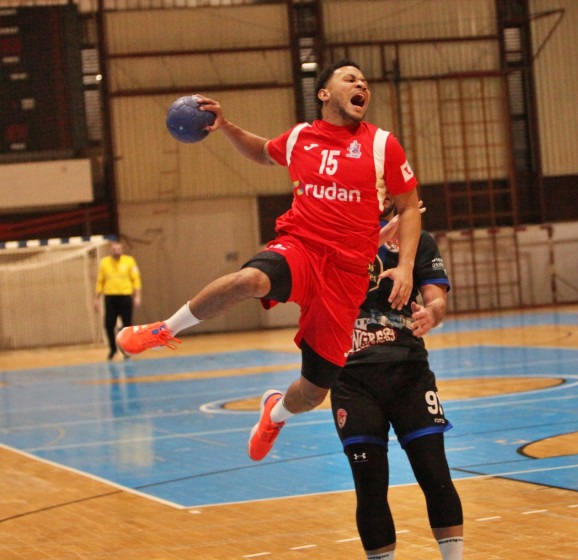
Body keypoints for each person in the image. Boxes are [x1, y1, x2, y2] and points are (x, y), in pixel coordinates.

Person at [116, 59, 422, 462]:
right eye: (350, 79)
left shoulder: (382, 144)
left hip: (347, 276)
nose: (361, 85)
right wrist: (226, 126)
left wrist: (406, 265)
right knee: (250, 280)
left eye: (364, 81)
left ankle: (274, 413)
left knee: (312, 393)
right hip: (303, 247)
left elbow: (409, 206)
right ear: (324, 93)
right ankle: (163, 329)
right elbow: (263, 152)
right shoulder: (300, 138)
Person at [330, 197, 464, 560]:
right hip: (352, 380)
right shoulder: (333, 237)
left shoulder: (419, 239)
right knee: (370, 487)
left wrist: (432, 314)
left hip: (409, 374)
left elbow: (437, 299)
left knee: (435, 474)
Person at [94, 240, 142, 360]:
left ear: (122, 249)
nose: (117, 251)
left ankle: (127, 350)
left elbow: (136, 279)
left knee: (127, 325)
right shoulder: (104, 263)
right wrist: (97, 298)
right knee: (109, 324)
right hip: (110, 298)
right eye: (114, 249)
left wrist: (137, 296)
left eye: (119, 249)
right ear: (110, 250)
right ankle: (112, 349)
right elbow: (100, 281)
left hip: (125, 297)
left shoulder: (129, 261)